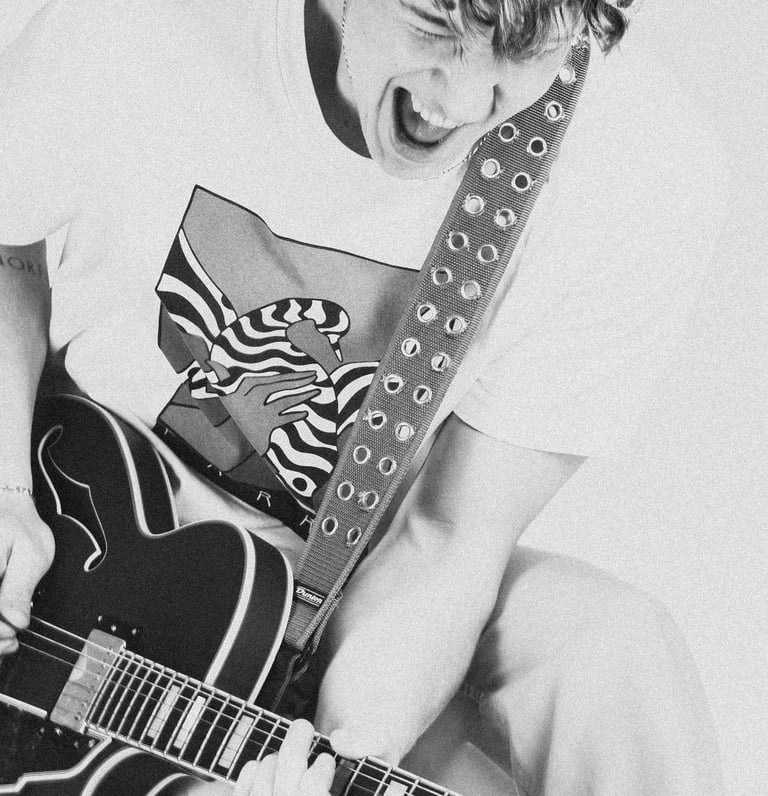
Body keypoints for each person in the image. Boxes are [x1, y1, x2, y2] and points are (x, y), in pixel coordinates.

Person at [0, 0, 726, 794]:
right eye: (434, 24)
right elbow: (10, 246)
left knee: (612, 650)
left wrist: (337, 760)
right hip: (81, 505)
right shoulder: (143, 21)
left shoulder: (643, 167)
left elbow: (449, 537)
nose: (456, 102)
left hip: (358, 587)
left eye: (523, 56)